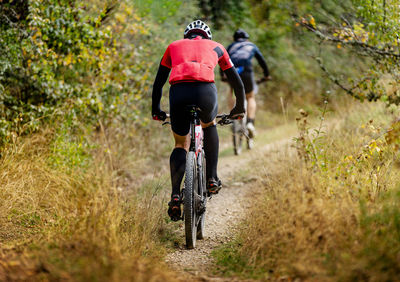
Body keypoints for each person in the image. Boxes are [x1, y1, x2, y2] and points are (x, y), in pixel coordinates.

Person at [151, 20, 245, 221]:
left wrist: (156, 109)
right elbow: (237, 82)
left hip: (179, 93)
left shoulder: (173, 46)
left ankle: (175, 195)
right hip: (205, 92)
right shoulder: (218, 47)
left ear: (187, 36)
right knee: (209, 124)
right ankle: (211, 177)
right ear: (206, 36)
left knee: (180, 143)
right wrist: (239, 108)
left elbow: (158, 83)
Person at [223, 29, 271, 141]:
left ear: (235, 38)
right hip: (246, 71)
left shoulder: (230, 46)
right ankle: (250, 122)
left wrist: (223, 76)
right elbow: (262, 61)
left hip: (233, 71)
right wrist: (266, 75)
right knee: (250, 96)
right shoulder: (251, 45)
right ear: (246, 38)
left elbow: (223, 60)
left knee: (231, 91)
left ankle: (232, 121)